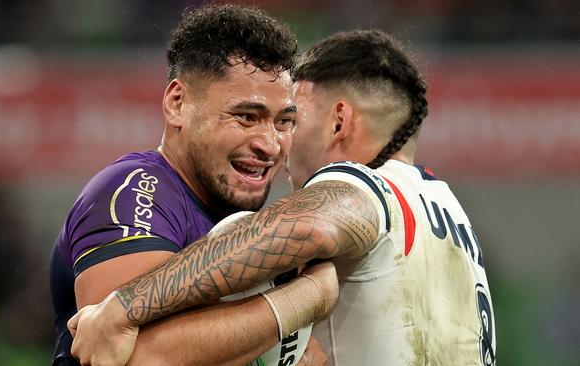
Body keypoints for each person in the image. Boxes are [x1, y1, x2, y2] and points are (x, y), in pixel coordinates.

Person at [69, 30, 497, 365]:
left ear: (339, 121)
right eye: (249, 117)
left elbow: (311, 225)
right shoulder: (445, 209)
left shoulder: (364, 185)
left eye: (291, 118)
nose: (277, 144)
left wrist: (123, 306)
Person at [49, 4, 337, 366]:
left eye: (284, 122)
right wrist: (308, 296)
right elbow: (134, 357)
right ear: (177, 103)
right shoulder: (135, 192)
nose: (270, 143)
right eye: (247, 117)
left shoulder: (240, 220)